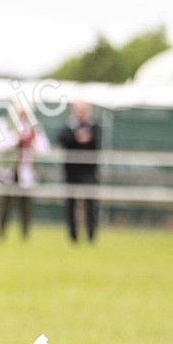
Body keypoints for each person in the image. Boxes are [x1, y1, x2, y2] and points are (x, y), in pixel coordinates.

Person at [0, 104, 48, 240]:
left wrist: (31, 142)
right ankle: (1, 235)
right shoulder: (2, 122)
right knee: (5, 204)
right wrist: (16, 139)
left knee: (25, 206)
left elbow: (44, 148)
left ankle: (25, 236)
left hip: (26, 171)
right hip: (8, 170)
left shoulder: (34, 126)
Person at [59, 100, 101, 242]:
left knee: (91, 204)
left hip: (89, 172)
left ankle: (91, 235)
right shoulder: (69, 125)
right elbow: (62, 140)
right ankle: (73, 237)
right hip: (71, 172)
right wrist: (77, 137)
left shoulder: (94, 126)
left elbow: (96, 142)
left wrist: (85, 139)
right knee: (70, 204)